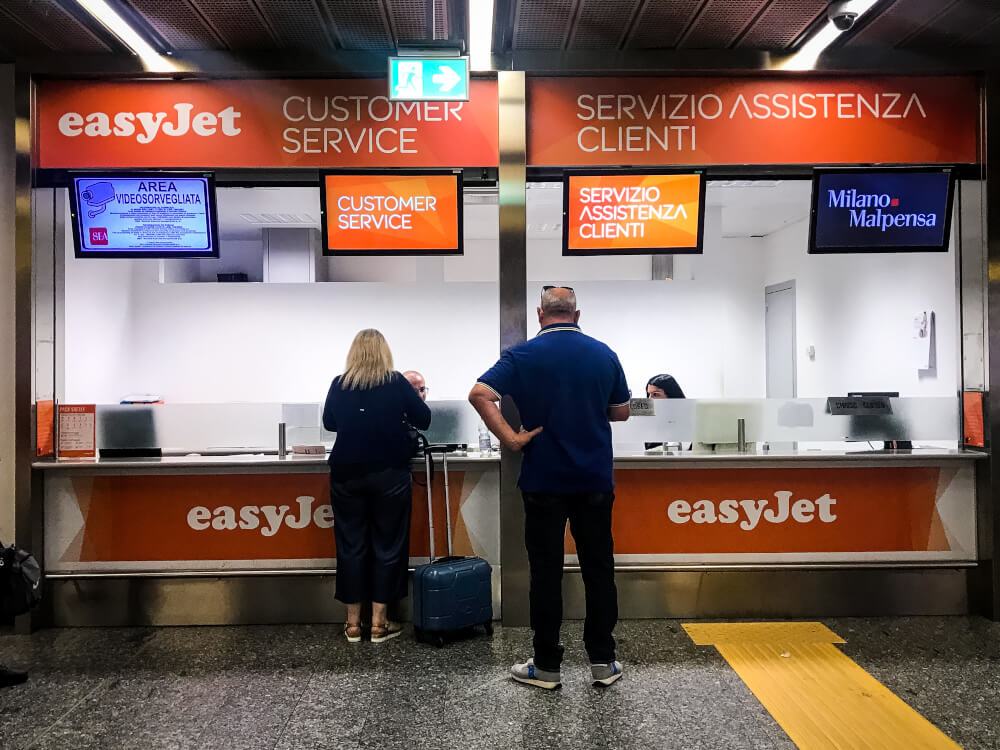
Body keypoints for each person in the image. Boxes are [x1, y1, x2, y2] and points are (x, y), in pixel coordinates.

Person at [469, 286, 630, 690]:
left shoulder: (521, 355)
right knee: (598, 568)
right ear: (577, 314)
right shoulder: (603, 353)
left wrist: (512, 438)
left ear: (540, 314)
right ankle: (603, 661)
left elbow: (480, 394)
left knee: (545, 573)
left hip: (543, 480)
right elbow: (622, 411)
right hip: (594, 478)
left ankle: (546, 666)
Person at [323, 329, 431, 644]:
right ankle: (380, 623)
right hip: (389, 473)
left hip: (346, 474)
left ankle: (354, 624)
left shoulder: (340, 384)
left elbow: (330, 423)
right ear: (385, 353)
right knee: (389, 544)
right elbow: (423, 418)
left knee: (351, 545)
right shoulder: (396, 382)